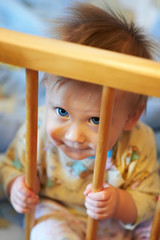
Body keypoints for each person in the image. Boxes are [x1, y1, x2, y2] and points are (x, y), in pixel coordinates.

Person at [1, 2, 160, 240]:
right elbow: (9, 165)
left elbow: (150, 199)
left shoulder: (138, 142)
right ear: (47, 91)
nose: (74, 136)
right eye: (62, 112)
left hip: (119, 222)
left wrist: (119, 203)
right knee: (45, 232)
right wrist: (16, 187)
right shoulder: (38, 129)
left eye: (96, 119)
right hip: (59, 211)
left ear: (132, 116)